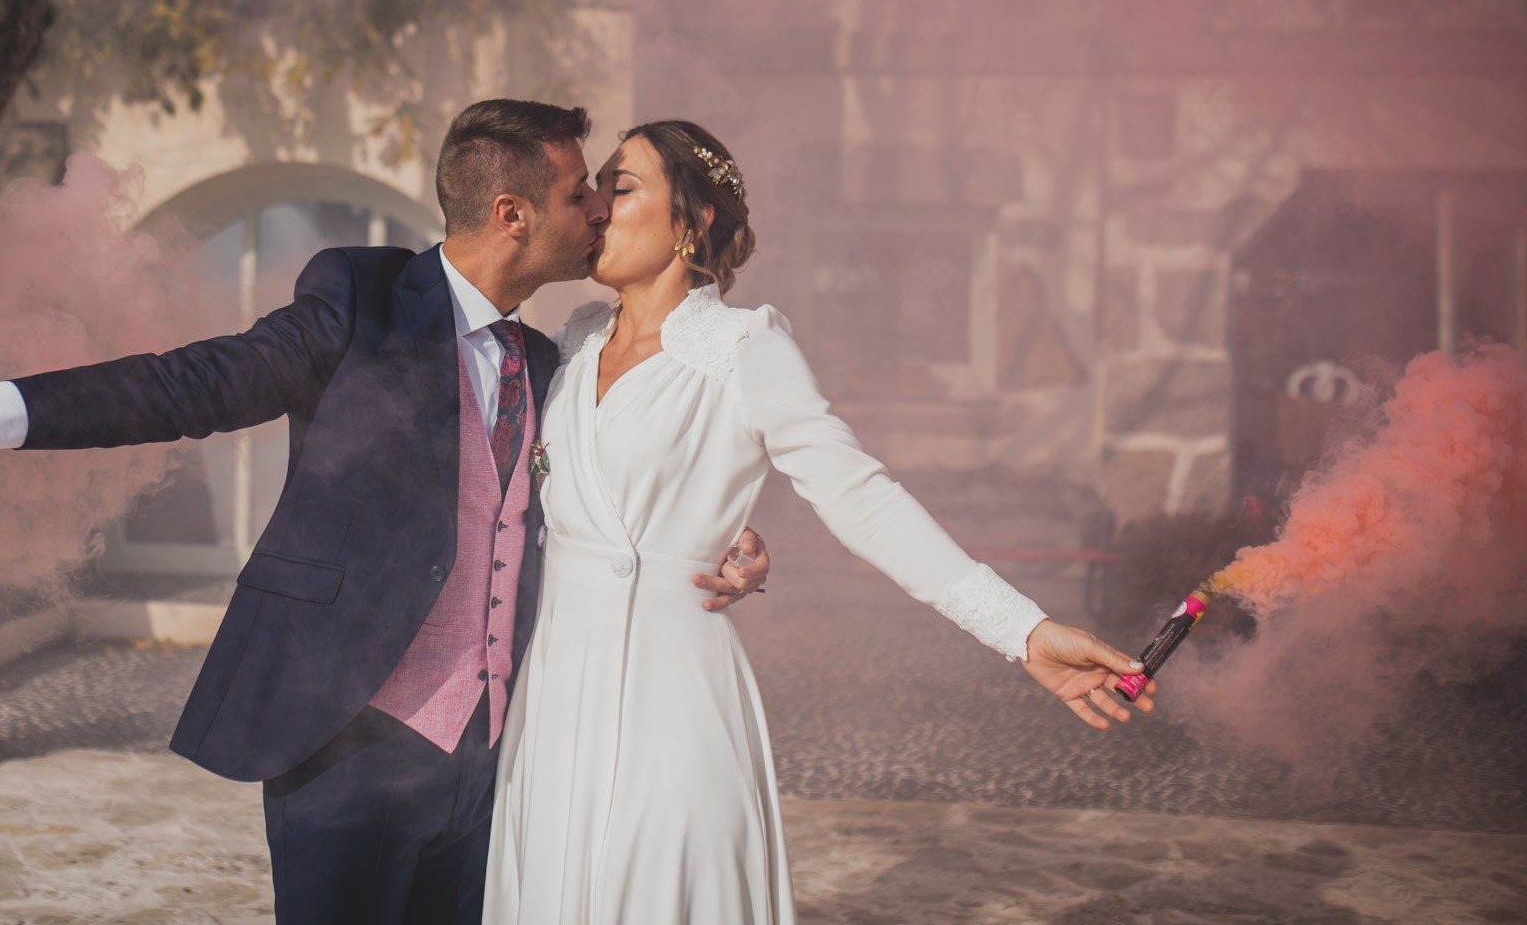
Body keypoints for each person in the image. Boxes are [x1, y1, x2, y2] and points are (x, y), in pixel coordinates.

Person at [0, 100, 772, 925]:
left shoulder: (552, 361)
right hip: (345, 743)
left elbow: (615, 495)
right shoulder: (358, 300)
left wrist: (721, 536)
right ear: (511, 213)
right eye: (580, 193)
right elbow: (187, 386)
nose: (599, 208)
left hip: (496, 765)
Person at [481, 121, 1157, 925]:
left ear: (690, 222)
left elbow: (863, 498)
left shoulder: (743, 347)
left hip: (671, 699)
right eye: (593, 187)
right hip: (553, 701)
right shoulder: (570, 343)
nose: (595, 206)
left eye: (620, 187)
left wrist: (1024, 630)